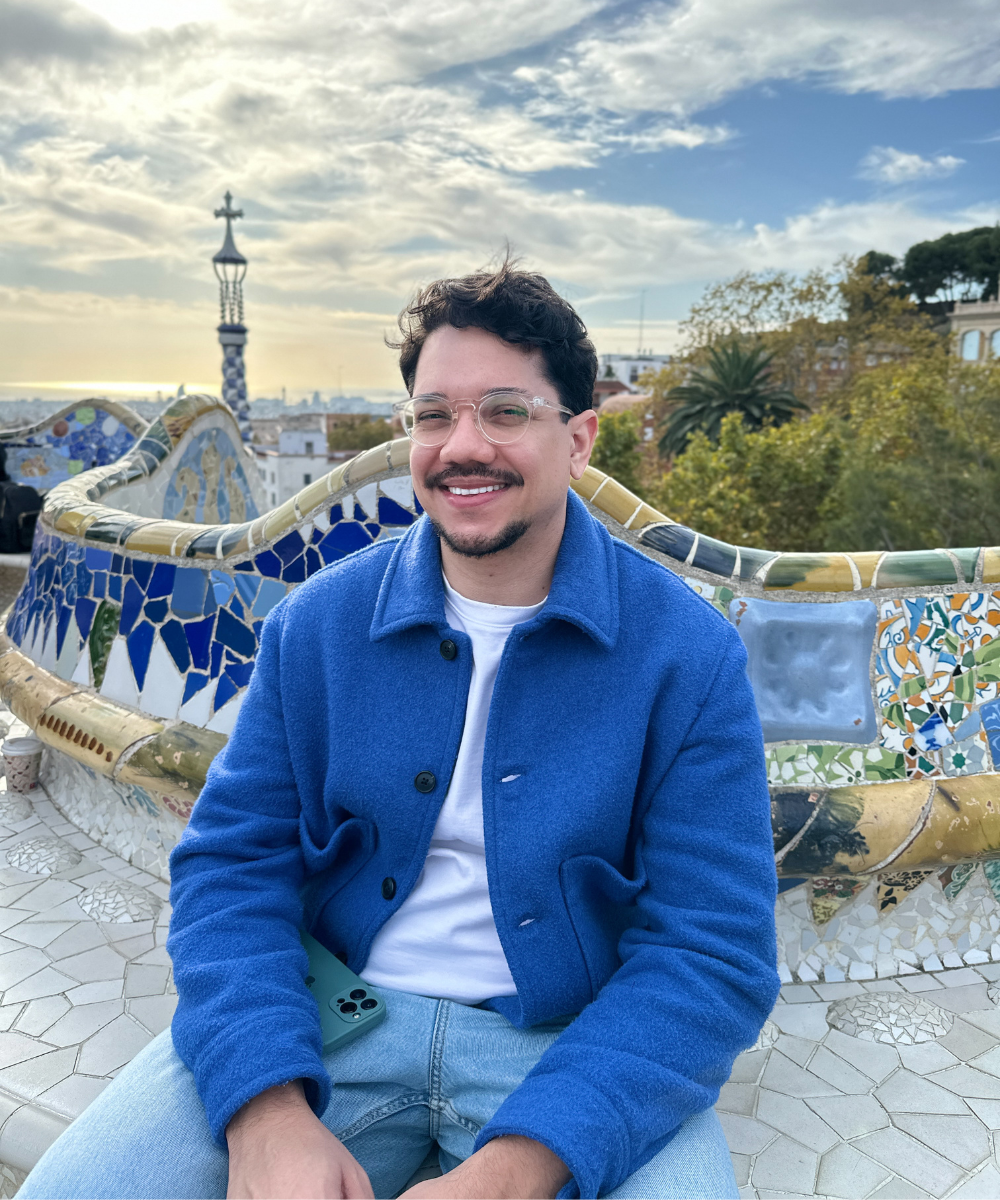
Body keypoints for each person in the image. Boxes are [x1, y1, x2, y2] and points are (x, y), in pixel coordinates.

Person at [18, 263, 779, 1200]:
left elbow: (713, 952)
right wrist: (264, 1110)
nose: (464, 446)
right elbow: (231, 865)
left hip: (568, 1044)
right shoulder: (321, 624)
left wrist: (519, 1169)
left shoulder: (685, 655)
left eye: (505, 411)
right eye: (433, 415)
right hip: (335, 1016)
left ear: (579, 438)